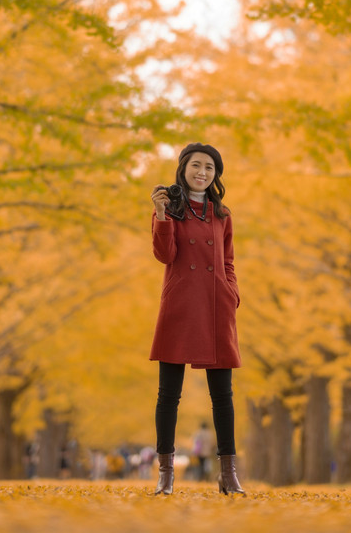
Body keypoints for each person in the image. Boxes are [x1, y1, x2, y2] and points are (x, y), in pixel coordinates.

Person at [149, 142, 245, 496]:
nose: (202, 172)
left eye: (209, 167)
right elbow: (165, 254)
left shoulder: (223, 214)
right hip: (181, 305)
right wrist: (161, 215)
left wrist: (231, 293)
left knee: (223, 396)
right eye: (195, 166)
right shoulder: (170, 209)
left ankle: (228, 473)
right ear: (183, 169)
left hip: (217, 306)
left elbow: (229, 260)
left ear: (216, 174)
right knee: (167, 394)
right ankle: (166, 472)